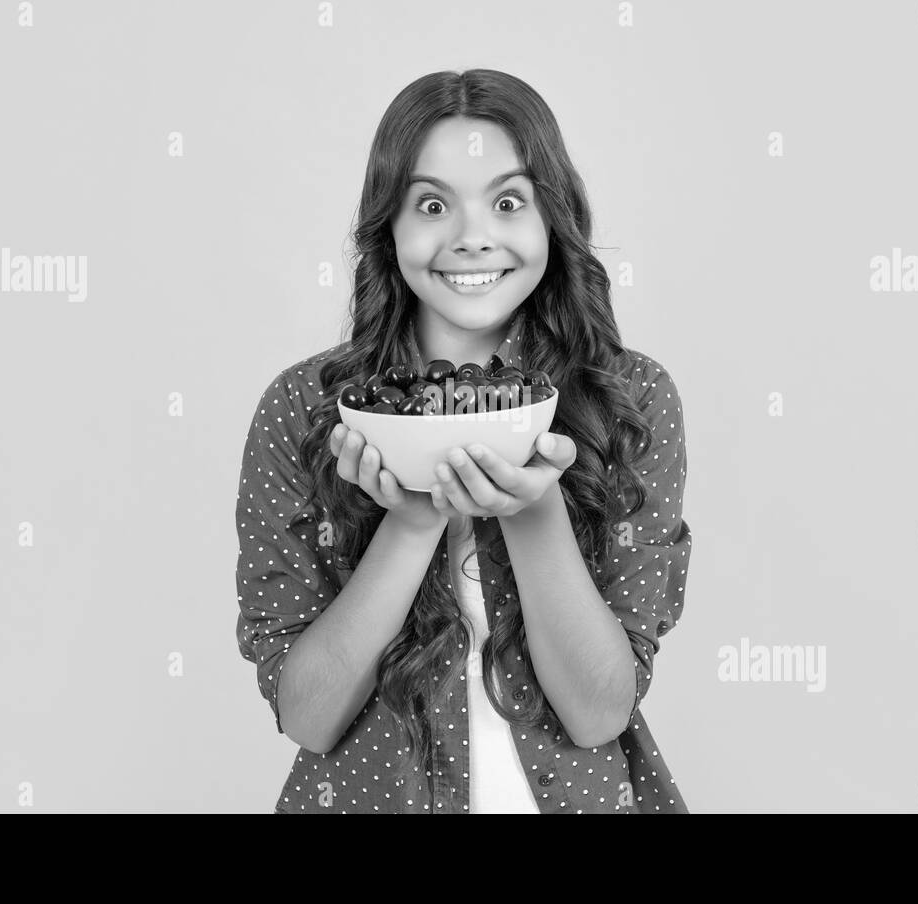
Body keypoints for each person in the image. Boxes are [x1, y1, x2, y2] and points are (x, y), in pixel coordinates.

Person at [235, 69, 692, 813]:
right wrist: (412, 521)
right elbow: (308, 719)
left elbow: (599, 712)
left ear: (553, 218)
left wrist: (534, 511)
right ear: (390, 225)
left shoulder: (629, 401)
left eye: (508, 202)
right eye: (432, 204)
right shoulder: (307, 409)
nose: (471, 238)